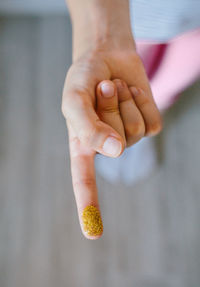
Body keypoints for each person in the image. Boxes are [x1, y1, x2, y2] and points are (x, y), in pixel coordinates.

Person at [62, 0, 200, 239]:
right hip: (130, 18)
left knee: (166, 87)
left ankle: (147, 118)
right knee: (129, 85)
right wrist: (99, 39)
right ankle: (129, 128)